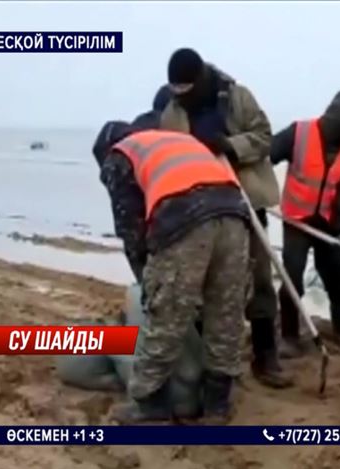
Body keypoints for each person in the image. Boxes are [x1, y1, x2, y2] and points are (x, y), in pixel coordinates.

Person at [92, 121, 251, 424]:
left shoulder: (119, 155)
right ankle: (217, 405)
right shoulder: (174, 140)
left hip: (186, 217)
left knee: (167, 313)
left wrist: (147, 284)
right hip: (234, 213)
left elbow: (131, 230)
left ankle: (150, 402)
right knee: (225, 312)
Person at [152, 48, 292, 389]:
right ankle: (207, 361)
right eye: (176, 92)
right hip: (201, 207)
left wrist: (230, 146)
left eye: (187, 91)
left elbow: (264, 137)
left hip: (245, 198)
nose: (182, 99)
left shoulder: (237, 97)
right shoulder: (172, 113)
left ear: (200, 79)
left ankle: (265, 355)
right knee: (204, 282)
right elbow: (169, 158)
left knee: (259, 277)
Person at [269, 89, 340, 357]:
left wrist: (339, 221)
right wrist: (258, 190)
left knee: (339, 278)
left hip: (328, 220)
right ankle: (289, 336)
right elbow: (269, 154)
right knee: (292, 276)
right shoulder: (299, 133)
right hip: (296, 220)